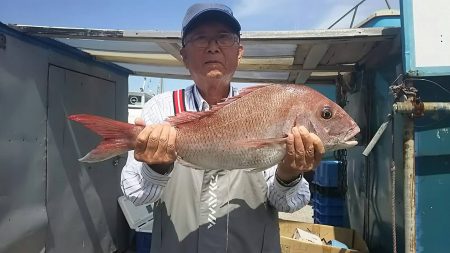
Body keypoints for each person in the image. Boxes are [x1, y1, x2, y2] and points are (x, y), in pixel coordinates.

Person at [121, 3, 325, 253]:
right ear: (184, 55)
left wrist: (289, 173)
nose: (213, 46)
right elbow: (135, 194)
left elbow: (287, 203)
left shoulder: (265, 106)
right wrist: (156, 167)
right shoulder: (160, 109)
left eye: (224, 38)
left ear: (239, 52)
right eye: (200, 38)